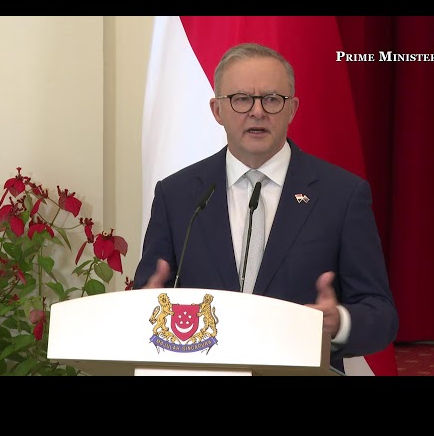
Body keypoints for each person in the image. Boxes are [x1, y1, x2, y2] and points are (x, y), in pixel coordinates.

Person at [133, 42, 398, 373]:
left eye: (272, 99)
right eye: (241, 99)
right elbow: (149, 296)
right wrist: (144, 306)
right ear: (217, 110)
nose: (257, 112)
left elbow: (380, 314)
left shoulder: (341, 195)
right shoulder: (177, 195)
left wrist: (339, 322)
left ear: (292, 109)